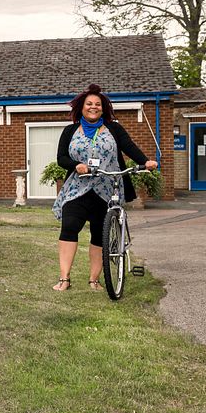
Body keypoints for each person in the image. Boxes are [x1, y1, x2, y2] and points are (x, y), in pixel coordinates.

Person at [52, 84, 157, 291]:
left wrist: (146, 162)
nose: (93, 107)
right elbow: (61, 158)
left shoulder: (114, 129)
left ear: (103, 108)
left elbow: (129, 147)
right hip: (77, 189)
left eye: (97, 104)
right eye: (89, 104)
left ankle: (94, 279)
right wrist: (76, 165)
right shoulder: (70, 130)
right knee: (70, 226)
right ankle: (64, 279)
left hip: (107, 189)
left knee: (99, 234)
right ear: (81, 107)